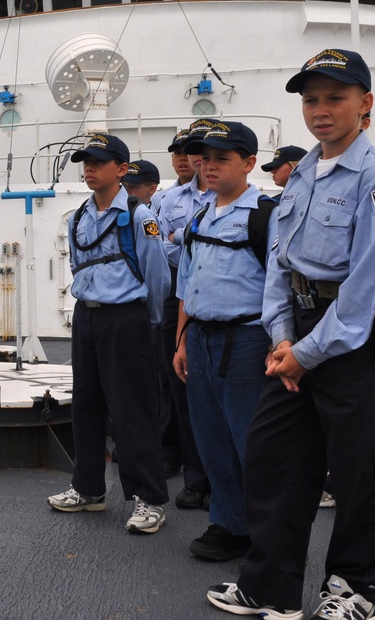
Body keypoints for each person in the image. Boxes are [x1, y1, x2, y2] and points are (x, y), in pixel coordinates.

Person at [207, 49, 375, 620]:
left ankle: (354, 590)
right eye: (311, 99)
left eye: (335, 97)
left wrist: (307, 352)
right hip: (294, 331)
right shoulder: (301, 172)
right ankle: (270, 585)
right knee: (274, 457)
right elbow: (280, 258)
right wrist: (280, 333)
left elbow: (371, 281)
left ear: (365, 104)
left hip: (354, 341)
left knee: (361, 470)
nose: (320, 110)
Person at [48, 133, 170, 534]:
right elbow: (78, 267)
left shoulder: (139, 216)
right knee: (85, 405)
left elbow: (157, 275)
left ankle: (148, 499)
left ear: (121, 169)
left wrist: (144, 321)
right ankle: (88, 490)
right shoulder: (78, 217)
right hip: (87, 317)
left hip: (125, 319)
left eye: (98, 162)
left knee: (132, 411)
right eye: (85, 162)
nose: (89, 168)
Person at [172, 121, 277, 561]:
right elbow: (186, 284)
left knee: (250, 442)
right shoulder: (199, 216)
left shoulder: (267, 214)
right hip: (200, 338)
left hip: (248, 340)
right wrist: (180, 341)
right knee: (210, 438)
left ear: (249, 163)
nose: (209, 166)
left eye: (222, 158)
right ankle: (229, 524)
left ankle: (267, 533)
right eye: (205, 158)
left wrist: (279, 342)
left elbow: (282, 284)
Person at [152, 122, 215, 509]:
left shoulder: (251, 203)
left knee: (220, 396)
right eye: (190, 150)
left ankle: (224, 480)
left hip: (224, 301)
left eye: (204, 151)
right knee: (179, 387)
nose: (194, 157)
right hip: (178, 295)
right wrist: (185, 244)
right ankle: (194, 476)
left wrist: (182, 241)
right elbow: (160, 248)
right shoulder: (167, 201)